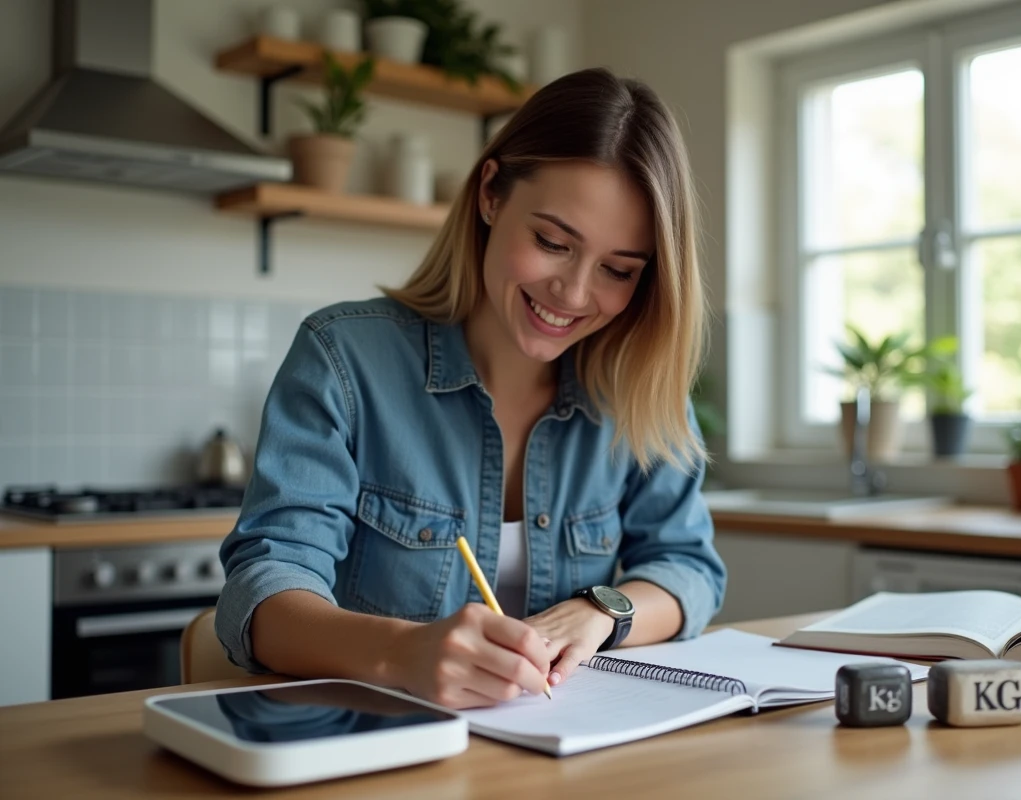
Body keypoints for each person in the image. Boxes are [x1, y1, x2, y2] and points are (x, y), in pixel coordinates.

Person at [215, 67, 726, 710]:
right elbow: (263, 591)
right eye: (552, 242)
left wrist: (601, 612)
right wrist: (403, 652)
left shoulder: (636, 390)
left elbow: (687, 568)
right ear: (490, 195)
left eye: (618, 270)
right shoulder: (343, 358)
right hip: (370, 740)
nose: (573, 294)